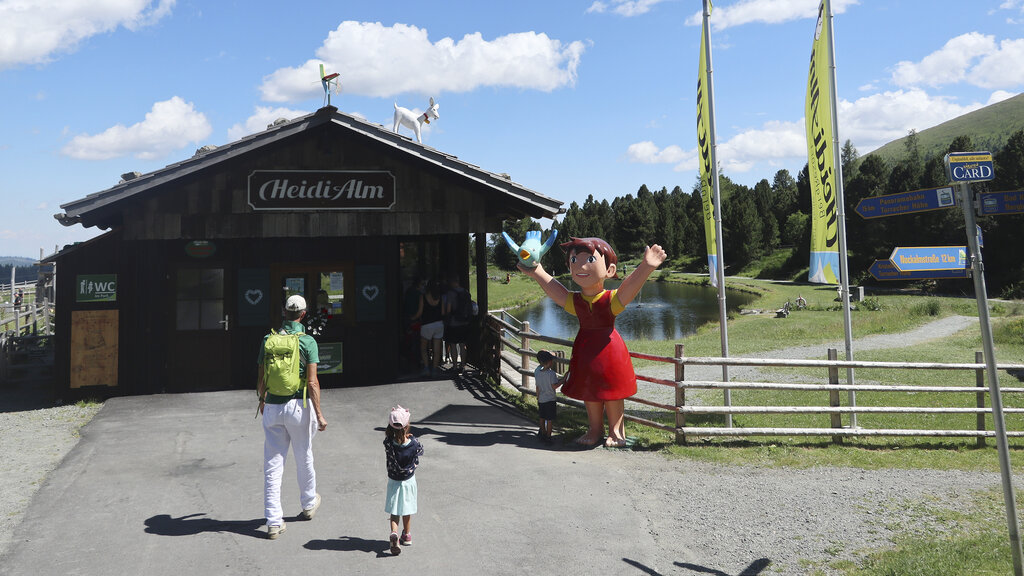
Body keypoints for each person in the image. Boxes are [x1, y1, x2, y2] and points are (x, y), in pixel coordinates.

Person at [519, 237, 667, 447]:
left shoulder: (610, 300)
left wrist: (646, 267)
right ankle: (595, 429)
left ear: (610, 270)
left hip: (610, 352)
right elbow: (557, 292)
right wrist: (537, 272)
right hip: (586, 351)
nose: (581, 266)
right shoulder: (576, 301)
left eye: (589, 259)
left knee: (613, 392)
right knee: (590, 392)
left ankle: (617, 432)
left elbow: (627, 289)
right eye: (574, 260)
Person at [256, 294, 328, 539]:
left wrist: (263, 400)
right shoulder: (307, 341)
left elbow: (261, 379)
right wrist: (318, 413)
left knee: (273, 464)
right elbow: (313, 382)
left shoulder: (268, 340)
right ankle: (308, 504)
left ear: (283, 312)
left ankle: (274, 522)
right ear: (304, 314)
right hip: (299, 405)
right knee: (303, 454)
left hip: (273, 406)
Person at [384, 405, 423, 555]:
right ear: (407, 426)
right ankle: (406, 535)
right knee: (406, 509)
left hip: (394, 480)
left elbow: (391, 440)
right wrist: (410, 437)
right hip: (408, 481)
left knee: (395, 510)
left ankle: (394, 532)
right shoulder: (413, 443)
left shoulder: (388, 443)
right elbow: (420, 450)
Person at [411, 280, 445, 376]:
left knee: (423, 348)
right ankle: (434, 369)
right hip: (439, 324)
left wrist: (412, 318)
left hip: (427, 325)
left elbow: (420, 312)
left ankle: (426, 368)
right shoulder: (440, 297)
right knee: (437, 349)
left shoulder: (423, 297)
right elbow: (442, 312)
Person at [442, 274, 472, 373]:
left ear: (453, 282)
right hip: (464, 322)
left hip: (453, 323)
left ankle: (454, 366)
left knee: (453, 345)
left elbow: (448, 309)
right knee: (463, 345)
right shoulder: (466, 292)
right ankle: (462, 365)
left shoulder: (451, 294)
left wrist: (446, 317)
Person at [534, 350, 563, 444]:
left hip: (541, 399)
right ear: (550, 361)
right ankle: (548, 436)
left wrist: (538, 397)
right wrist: (563, 380)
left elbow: (537, 387)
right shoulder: (551, 374)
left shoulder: (538, 373)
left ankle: (543, 433)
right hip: (550, 399)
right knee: (549, 420)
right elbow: (554, 386)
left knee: (542, 417)